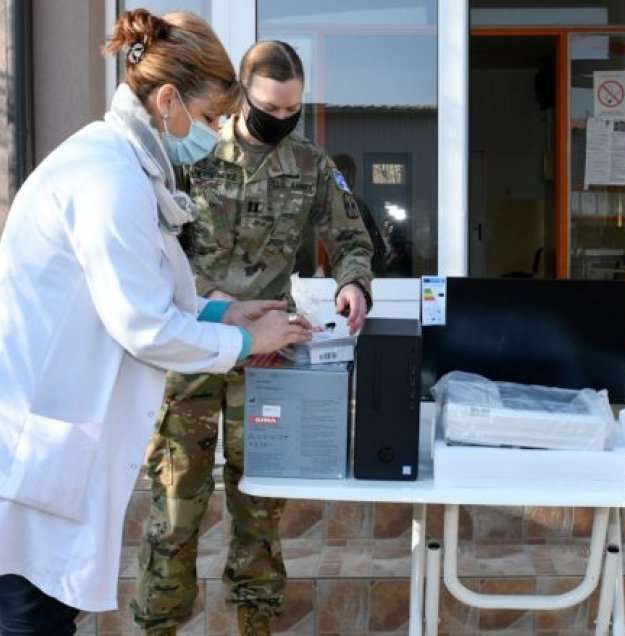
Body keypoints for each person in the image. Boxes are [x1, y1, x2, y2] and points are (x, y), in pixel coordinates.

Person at [0, 10, 311, 635]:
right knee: (30, 620)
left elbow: (156, 295)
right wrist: (249, 340)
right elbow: (143, 325)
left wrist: (226, 310)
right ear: (167, 100)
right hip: (37, 460)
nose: (212, 133)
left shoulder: (128, 171)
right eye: (206, 119)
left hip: (59, 456)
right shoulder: (107, 178)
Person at [131, 41, 374, 636]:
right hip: (193, 344)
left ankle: (256, 627)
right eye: (271, 107)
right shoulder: (191, 153)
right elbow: (153, 254)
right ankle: (160, 625)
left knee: (259, 512)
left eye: (294, 110)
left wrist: (354, 284)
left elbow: (351, 236)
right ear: (243, 94)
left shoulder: (312, 164)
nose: (283, 119)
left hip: (266, 356)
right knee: (174, 510)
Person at [332, 153, 388, 274]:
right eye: (342, 176)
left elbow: (376, 247)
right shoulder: (322, 206)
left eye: (350, 176)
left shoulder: (356, 206)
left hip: (361, 274)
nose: (347, 181)